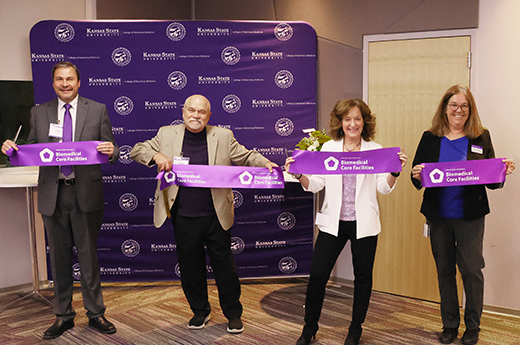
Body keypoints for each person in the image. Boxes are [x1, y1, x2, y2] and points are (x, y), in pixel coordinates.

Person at [130, 94, 278, 334]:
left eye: (201, 112)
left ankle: (233, 314)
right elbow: (137, 150)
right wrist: (156, 156)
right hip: (183, 215)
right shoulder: (167, 134)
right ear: (183, 112)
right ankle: (200, 311)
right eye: (191, 110)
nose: (195, 115)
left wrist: (265, 163)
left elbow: (246, 155)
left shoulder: (223, 136)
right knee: (190, 268)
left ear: (209, 116)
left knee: (225, 269)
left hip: (216, 215)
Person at [1, 61, 119, 339]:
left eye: (70, 79)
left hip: (86, 193)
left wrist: (112, 150)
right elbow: (30, 149)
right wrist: (11, 149)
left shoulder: (98, 110)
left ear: (79, 83)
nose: (65, 84)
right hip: (53, 194)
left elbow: (110, 151)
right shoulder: (39, 112)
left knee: (89, 257)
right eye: (59, 79)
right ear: (53, 83)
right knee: (60, 258)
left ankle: (95, 314)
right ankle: (63, 315)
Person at [285, 99, 407, 345]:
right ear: (340, 122)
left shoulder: (376, 149)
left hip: (364, 223)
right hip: (333, 222)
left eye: (357, 119)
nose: (353, 124)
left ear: (365, 122)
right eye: (347, 119)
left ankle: (355, 328)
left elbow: (383, 188)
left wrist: (394, 173)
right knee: (318, 276)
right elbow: (317, 185)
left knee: (363, 278)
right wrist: (299, 175)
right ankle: (309, 327)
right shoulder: (328, 147)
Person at [410, 85, 515, 345]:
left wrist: (501, 173)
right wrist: (415, 175)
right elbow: (418, 176)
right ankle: (449, 325)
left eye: (464, 106)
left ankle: (472, 328)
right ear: (445, 108)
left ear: (470, 110)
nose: (459, 110)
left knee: (471, 271)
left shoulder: (480, 137)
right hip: (439, 216)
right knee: (445, 272)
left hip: (470, 216)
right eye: (453, 105)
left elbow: (490, 180)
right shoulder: (430, 137)